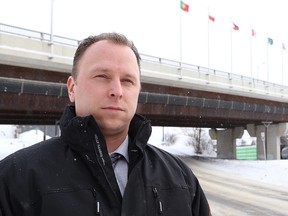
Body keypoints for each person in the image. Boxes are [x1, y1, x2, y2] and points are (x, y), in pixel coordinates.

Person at [0, 32, 211, 215]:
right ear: (72, 88)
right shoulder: (15, 178)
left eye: (128, 80)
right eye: (102, 76)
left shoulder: (181, 178)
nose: (117, 91)